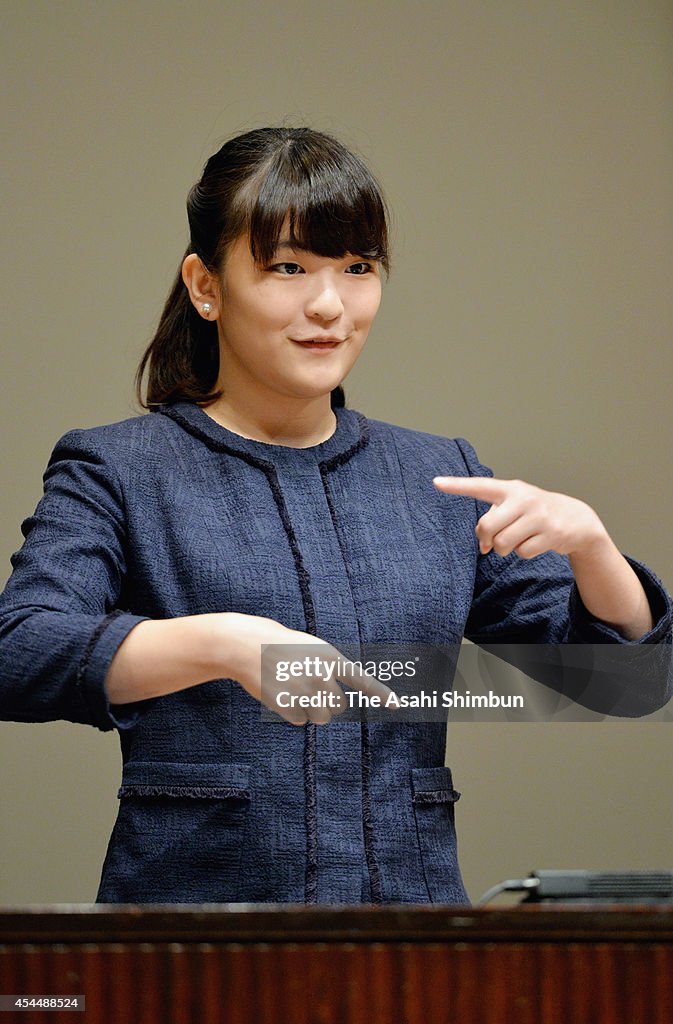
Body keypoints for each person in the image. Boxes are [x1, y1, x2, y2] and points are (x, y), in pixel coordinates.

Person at [0, 126, 670, 905]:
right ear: (205, 285)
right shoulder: (122, 468)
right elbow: (18, 650)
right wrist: (221, 643)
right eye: (287, 268)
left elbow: (624, 684)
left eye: (357, 268)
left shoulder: (439, 475)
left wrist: (591, 548)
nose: (328, 305)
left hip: (409, 936)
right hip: (193, 941)